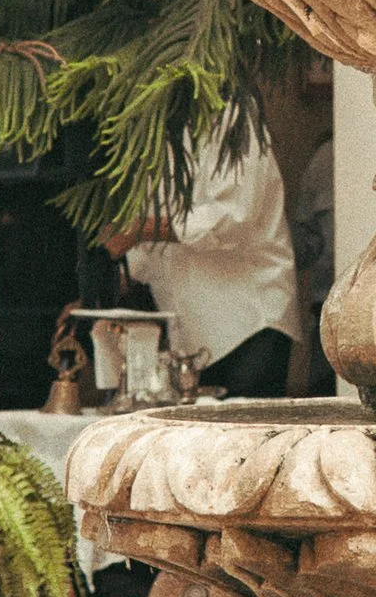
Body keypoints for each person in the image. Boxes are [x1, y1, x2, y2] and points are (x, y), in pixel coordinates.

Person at [119, 119, 301, 399]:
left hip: (247, 324)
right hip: (191, 340)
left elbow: (233, 218)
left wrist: (140, 229)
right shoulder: (152, 132)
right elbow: (147, 255)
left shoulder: (234, 120)